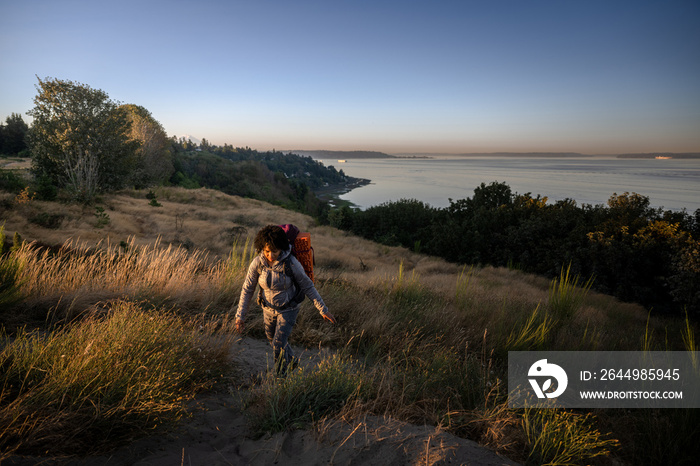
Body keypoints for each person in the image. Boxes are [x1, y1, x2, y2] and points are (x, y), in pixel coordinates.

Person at [234, 225, 336, 374]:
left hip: (289, 309)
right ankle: (292, 361)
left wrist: (323, 309)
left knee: (278, 343)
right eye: (267, 251)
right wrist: (240, 316)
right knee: (272, 340)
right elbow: (247, 289)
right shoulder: (257, 263)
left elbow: (308, 286)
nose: (270, 255)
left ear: (281, 247)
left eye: (274, 251)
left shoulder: (291, 263)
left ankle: (281, 376)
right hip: (267, 309)